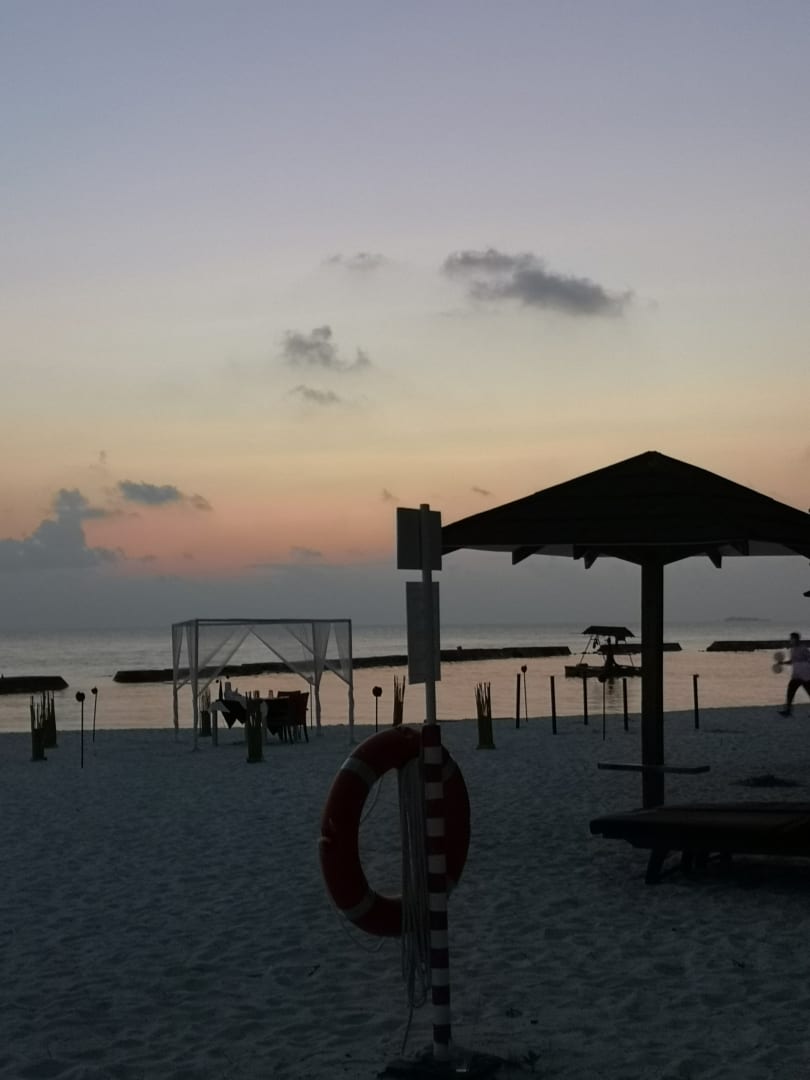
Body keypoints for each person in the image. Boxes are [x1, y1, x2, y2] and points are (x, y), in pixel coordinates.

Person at [778, 632, 810, 716]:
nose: (790, 640)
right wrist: (782, 663)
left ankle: (788, 711)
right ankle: (788, 711)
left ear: (796, 639)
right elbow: (792, 661)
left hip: (805, 675)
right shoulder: (792, 649)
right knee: (790, 692)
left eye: (792, 638)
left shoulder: (803, 648)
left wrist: (804, 666)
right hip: (796, 675)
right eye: (790, 639)